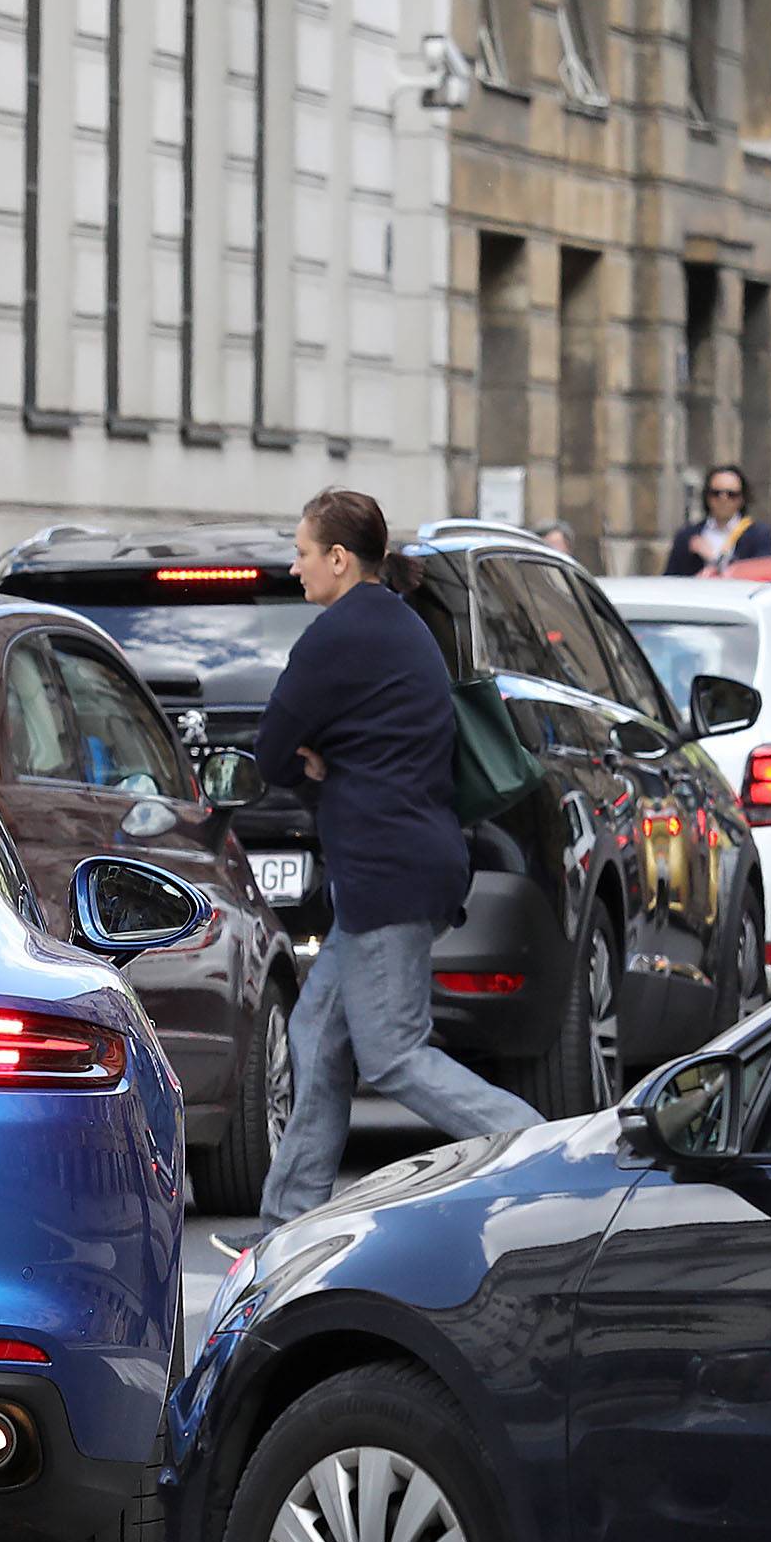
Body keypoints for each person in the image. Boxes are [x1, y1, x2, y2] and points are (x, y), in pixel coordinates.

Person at [255, 488, 541, 1228]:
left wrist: (311, 767)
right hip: (409, 861)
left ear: (339, 559)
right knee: (315, 1033)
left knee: (392, 1056)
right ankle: (287, 1220)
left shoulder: (338, 633)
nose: (296, 567)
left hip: (386, 871)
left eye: (303, 551)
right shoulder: (403, 624)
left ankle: (543, 1151)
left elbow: (269, 748)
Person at [663, 466, 771, 577]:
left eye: (731, 494)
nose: (723, 499)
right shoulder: (687, 536)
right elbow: (670, 580)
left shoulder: (758, 535)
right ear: (707, 497)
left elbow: (762, 576)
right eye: (716, 493)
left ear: (742, 498)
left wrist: (713, 558)